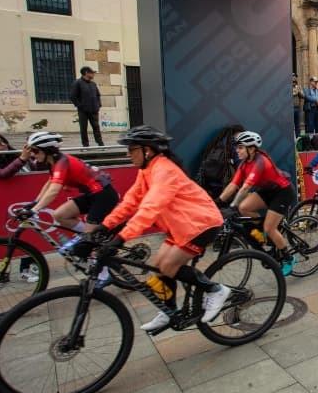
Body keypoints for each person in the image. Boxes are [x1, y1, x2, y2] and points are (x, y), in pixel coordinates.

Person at [96, 126, 229, 331]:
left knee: (168, 266)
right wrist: (104, 227)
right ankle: (169, 311)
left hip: (202, 224)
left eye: (132, 149)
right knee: (159, 265)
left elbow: (150, 208)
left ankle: (216, 290)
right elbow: (130, 202)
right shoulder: (147, 171)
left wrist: (120, 239)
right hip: (181, 227)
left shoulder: (164, 170)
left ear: (147, 150)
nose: (128, 154)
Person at [218, 131, 297, 275]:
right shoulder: (244, 164)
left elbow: (245, 187)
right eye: (237, 147)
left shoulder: (261, 162)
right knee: (244, 208)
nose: (237, 150)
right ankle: (266, 237)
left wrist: (231, 206)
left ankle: (288, 258)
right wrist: (218, 203)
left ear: (252, 148)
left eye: (240, 147)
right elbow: (233, 185)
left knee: (269, 227)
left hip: (282, 192)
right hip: (267, 191)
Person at [20, 131, 119, 236]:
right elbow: (49, 184)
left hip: (103, 195)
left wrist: (34, 210)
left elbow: (53, 191)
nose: (32, 154)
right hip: (92, 194)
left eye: (35, 151)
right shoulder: (53, 162)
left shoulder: (61, 162)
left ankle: (94, 240)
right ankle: (91, 237)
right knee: (60, 215)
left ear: (47, 151)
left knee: (89, 242)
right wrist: (35, 202)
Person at [70, 66, 104, 147]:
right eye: (92, 73)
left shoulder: (93, 84)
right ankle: (85, 145)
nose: (93, 75)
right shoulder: (77, 83)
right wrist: (80, 105)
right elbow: (73, 96)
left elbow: (98, 95)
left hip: (94, 110)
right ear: (86, 73)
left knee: (96, 127)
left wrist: (98, 105)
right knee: (83, 128)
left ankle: (101, 144)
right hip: (83, 111)